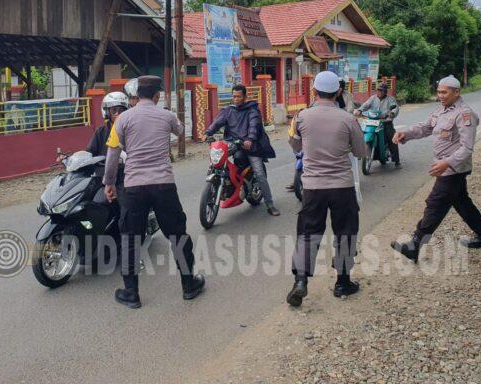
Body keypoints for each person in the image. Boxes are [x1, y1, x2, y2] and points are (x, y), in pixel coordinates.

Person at [103, 76, 204, 309]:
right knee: (177, 234)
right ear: (157, 95)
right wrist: (169, 117)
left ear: (136, 96)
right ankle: (189, 285)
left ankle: (131, 293)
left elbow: (112, 156)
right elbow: (180, 131)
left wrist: (109, 183)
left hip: (133, 187)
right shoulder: (166, 116)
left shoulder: (122, 119)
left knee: (130, 239)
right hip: (163, 185)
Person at [390, 75, 481, 262]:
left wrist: (447, 163)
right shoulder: (442, 111)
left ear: (457, 92)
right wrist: (404, 133)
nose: (440, 95)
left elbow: (467, 147)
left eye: (444, 92)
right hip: (446, 167)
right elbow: (425, 128)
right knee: (463, 204)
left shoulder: (464, 114)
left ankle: (415, 244)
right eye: (438, 91)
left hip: (453, 170)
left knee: (435, 203)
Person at [286, 71, 367, 307]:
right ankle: (343, 282)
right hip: (342, 186)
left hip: (312, 188)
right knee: (345, 231)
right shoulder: (348, 119)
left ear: (314, 91)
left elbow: (294, 143)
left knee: (308, 233)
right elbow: (361, 152)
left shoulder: (301, 117)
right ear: (338, 92)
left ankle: (300, 282)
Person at [204, 84, 280, 216]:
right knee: (217, 161)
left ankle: (270, 204)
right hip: (232, 143)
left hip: (250, 146)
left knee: (259, 173)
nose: (236, 99)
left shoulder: (252, 110)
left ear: (245, 97)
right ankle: (227, 183)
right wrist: (208, 132)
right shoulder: (228, 110)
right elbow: (217, 122)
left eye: (239, 96)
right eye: (234, 96)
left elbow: (253, 126)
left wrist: (250, 139)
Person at [355, 82, 401, 167]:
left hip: (385, 123)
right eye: (378, 90)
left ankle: (396, 161)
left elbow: (395, 108)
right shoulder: (373, 98)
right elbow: (365, 105)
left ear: (385, 92)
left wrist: (392, 113)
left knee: (392, 138)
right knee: (360, 133)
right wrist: (360, 110)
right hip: (373, 122)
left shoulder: (390, 99)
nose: (379, 92)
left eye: (381, 91)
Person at [87, 92, 129, 157]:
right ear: (107, 112)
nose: (117, 113)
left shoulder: (131, 130)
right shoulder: (101, 131)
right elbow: (89, 152)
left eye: (121, 110)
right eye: (114, 110)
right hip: (103, 166)